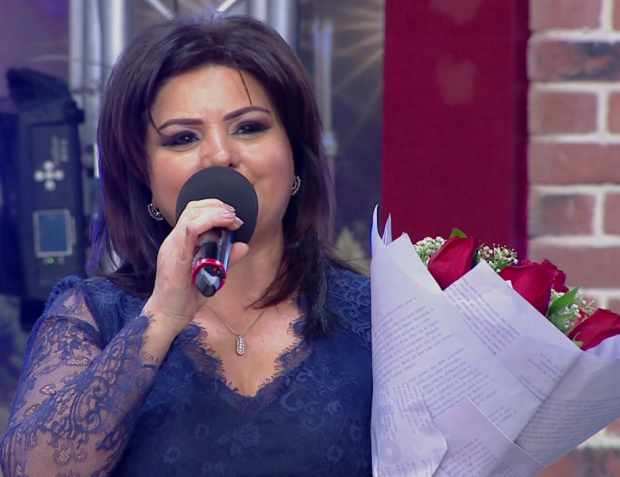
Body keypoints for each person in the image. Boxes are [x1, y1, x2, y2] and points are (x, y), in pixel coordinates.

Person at [0, 12, 372, 477]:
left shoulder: (374, 314)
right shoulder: (92, 315)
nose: (219, 155)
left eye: (248, 127)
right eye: (183, 138)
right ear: (145, 177)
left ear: (295, 156)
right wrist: (162, 317)